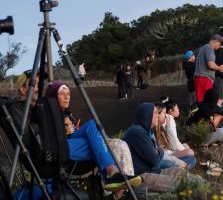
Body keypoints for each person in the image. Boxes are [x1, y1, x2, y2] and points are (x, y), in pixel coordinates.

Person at [9, 72, 142, 193]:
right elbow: (28, 138)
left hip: (57, 143)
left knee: (91, 125)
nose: (39, 88)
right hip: (48, 152)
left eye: (39, 84)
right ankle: (112, 175)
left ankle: (113, 176)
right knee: (95, 143)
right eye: (35, 85)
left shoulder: (36, 108)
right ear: (23, 88)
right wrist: (56, 124)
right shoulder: (18, 109)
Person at [46, 81, 136, 177]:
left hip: (71, 143)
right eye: (61, 94)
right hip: (58, 147)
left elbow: (72, 133)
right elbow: (49, 137)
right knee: (95, 139)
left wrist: (75, 129)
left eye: (68, 94)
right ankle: (111, 171)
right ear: (53, 97)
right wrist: (60, 124)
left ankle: (116, 176)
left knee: (94, 126)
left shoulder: (68, 114)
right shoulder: (47, 114)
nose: (66, 97)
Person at [123, 103, 204, 192]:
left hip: (154, 171)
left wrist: (157, 152)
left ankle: (207, 185)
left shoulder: (144, 131)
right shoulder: (138, 133)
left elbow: (157, 153)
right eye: (155, 113)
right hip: (142, 176)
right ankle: (205, 190)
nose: (158, 116)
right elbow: (155, 160)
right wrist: (158, 152)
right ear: (147, 115)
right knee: (181, 182)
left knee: (179, 171)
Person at [194, 34, 223, 103]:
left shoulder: (204, 48)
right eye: (220, 44)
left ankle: (199, 113)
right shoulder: (209, 48)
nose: (219, 46)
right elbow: (211, 64)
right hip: (204, 78)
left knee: (201, 101)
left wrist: (222, 69)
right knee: (207, 101)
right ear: (215, 42)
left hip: (200, 78)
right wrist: (220, 68)